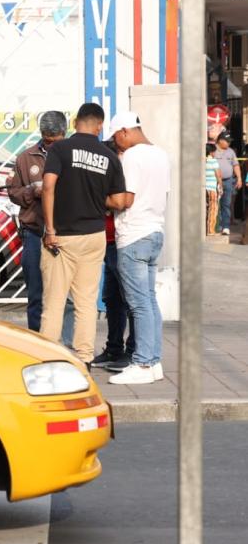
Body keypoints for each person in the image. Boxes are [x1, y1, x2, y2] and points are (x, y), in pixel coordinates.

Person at [39, 102, 127, 364]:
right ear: (99, 126)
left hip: (62, 236)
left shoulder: (60, 149)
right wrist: (98, 199)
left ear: (76, 121)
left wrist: (50, 229)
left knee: (54, 301)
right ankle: (85, 358)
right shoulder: (109, 156)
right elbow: (119, 201)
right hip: (94, 235)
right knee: (86, 302)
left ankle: (47, 359)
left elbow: (47, 186)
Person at [105, 112, 169, 384]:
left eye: (116, 138)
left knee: (139, 303)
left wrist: (99, 197)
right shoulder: (161, 154)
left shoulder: (132, 156)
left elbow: (124, 201)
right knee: (149, 300)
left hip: (133, 235)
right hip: (155, 230)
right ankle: (153, 361)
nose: (117, 144)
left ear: (124, 131)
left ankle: (142, 363)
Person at [7, 110, 74, 340]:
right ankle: (37, 344)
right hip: (35, 233)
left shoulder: (74, 155)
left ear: (65, 133)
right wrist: (31, 192)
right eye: (47, 141)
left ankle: (66, 345)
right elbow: (13, 192)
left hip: (67, 234)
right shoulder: (26, 158)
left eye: (56, 141)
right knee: (36, 294)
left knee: (66, 296)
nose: (52, 146)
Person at [92, 137, 136, 371]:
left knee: (130, 299)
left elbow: (120, 203)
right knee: (111, 299)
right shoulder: (111, 175)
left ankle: (132, 351)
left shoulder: (125, 174)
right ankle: (114, 348)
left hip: (122, 243)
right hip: (107, 243)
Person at [213, 131, 242, 235]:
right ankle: (217, 226)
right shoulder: (212, 151)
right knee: (215, 204)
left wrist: (239, 178)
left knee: (226, 204)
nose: (229, 143)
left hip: (228, 181)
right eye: (227, 141)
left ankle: (225, 227)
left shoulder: (231, 152)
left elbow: (235, 165)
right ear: (220, 141)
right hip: (214, 182)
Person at [205, 142, 222, 235]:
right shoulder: (213, 161)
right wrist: (221, 186)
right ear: (211, 152)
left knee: (205, 210)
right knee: (213, 209)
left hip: (203, 188)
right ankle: (210, 230)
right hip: (212, 188)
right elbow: (218, 175)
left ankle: (204, 229)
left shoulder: (203, 160)